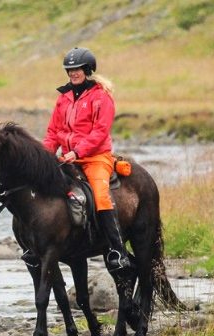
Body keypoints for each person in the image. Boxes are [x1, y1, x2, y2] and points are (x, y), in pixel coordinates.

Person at [42, 47, 132, 273]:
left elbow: (100, 132)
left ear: (88, 69)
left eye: (78, 69)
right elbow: (53, 132)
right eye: (70, 69)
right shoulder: (63, 98)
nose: (73, 73)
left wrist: (78, 152)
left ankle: (117, 251)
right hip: (68, 158)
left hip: (95, 157)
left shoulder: (101, 96)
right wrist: (44, 156)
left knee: (101, 196)